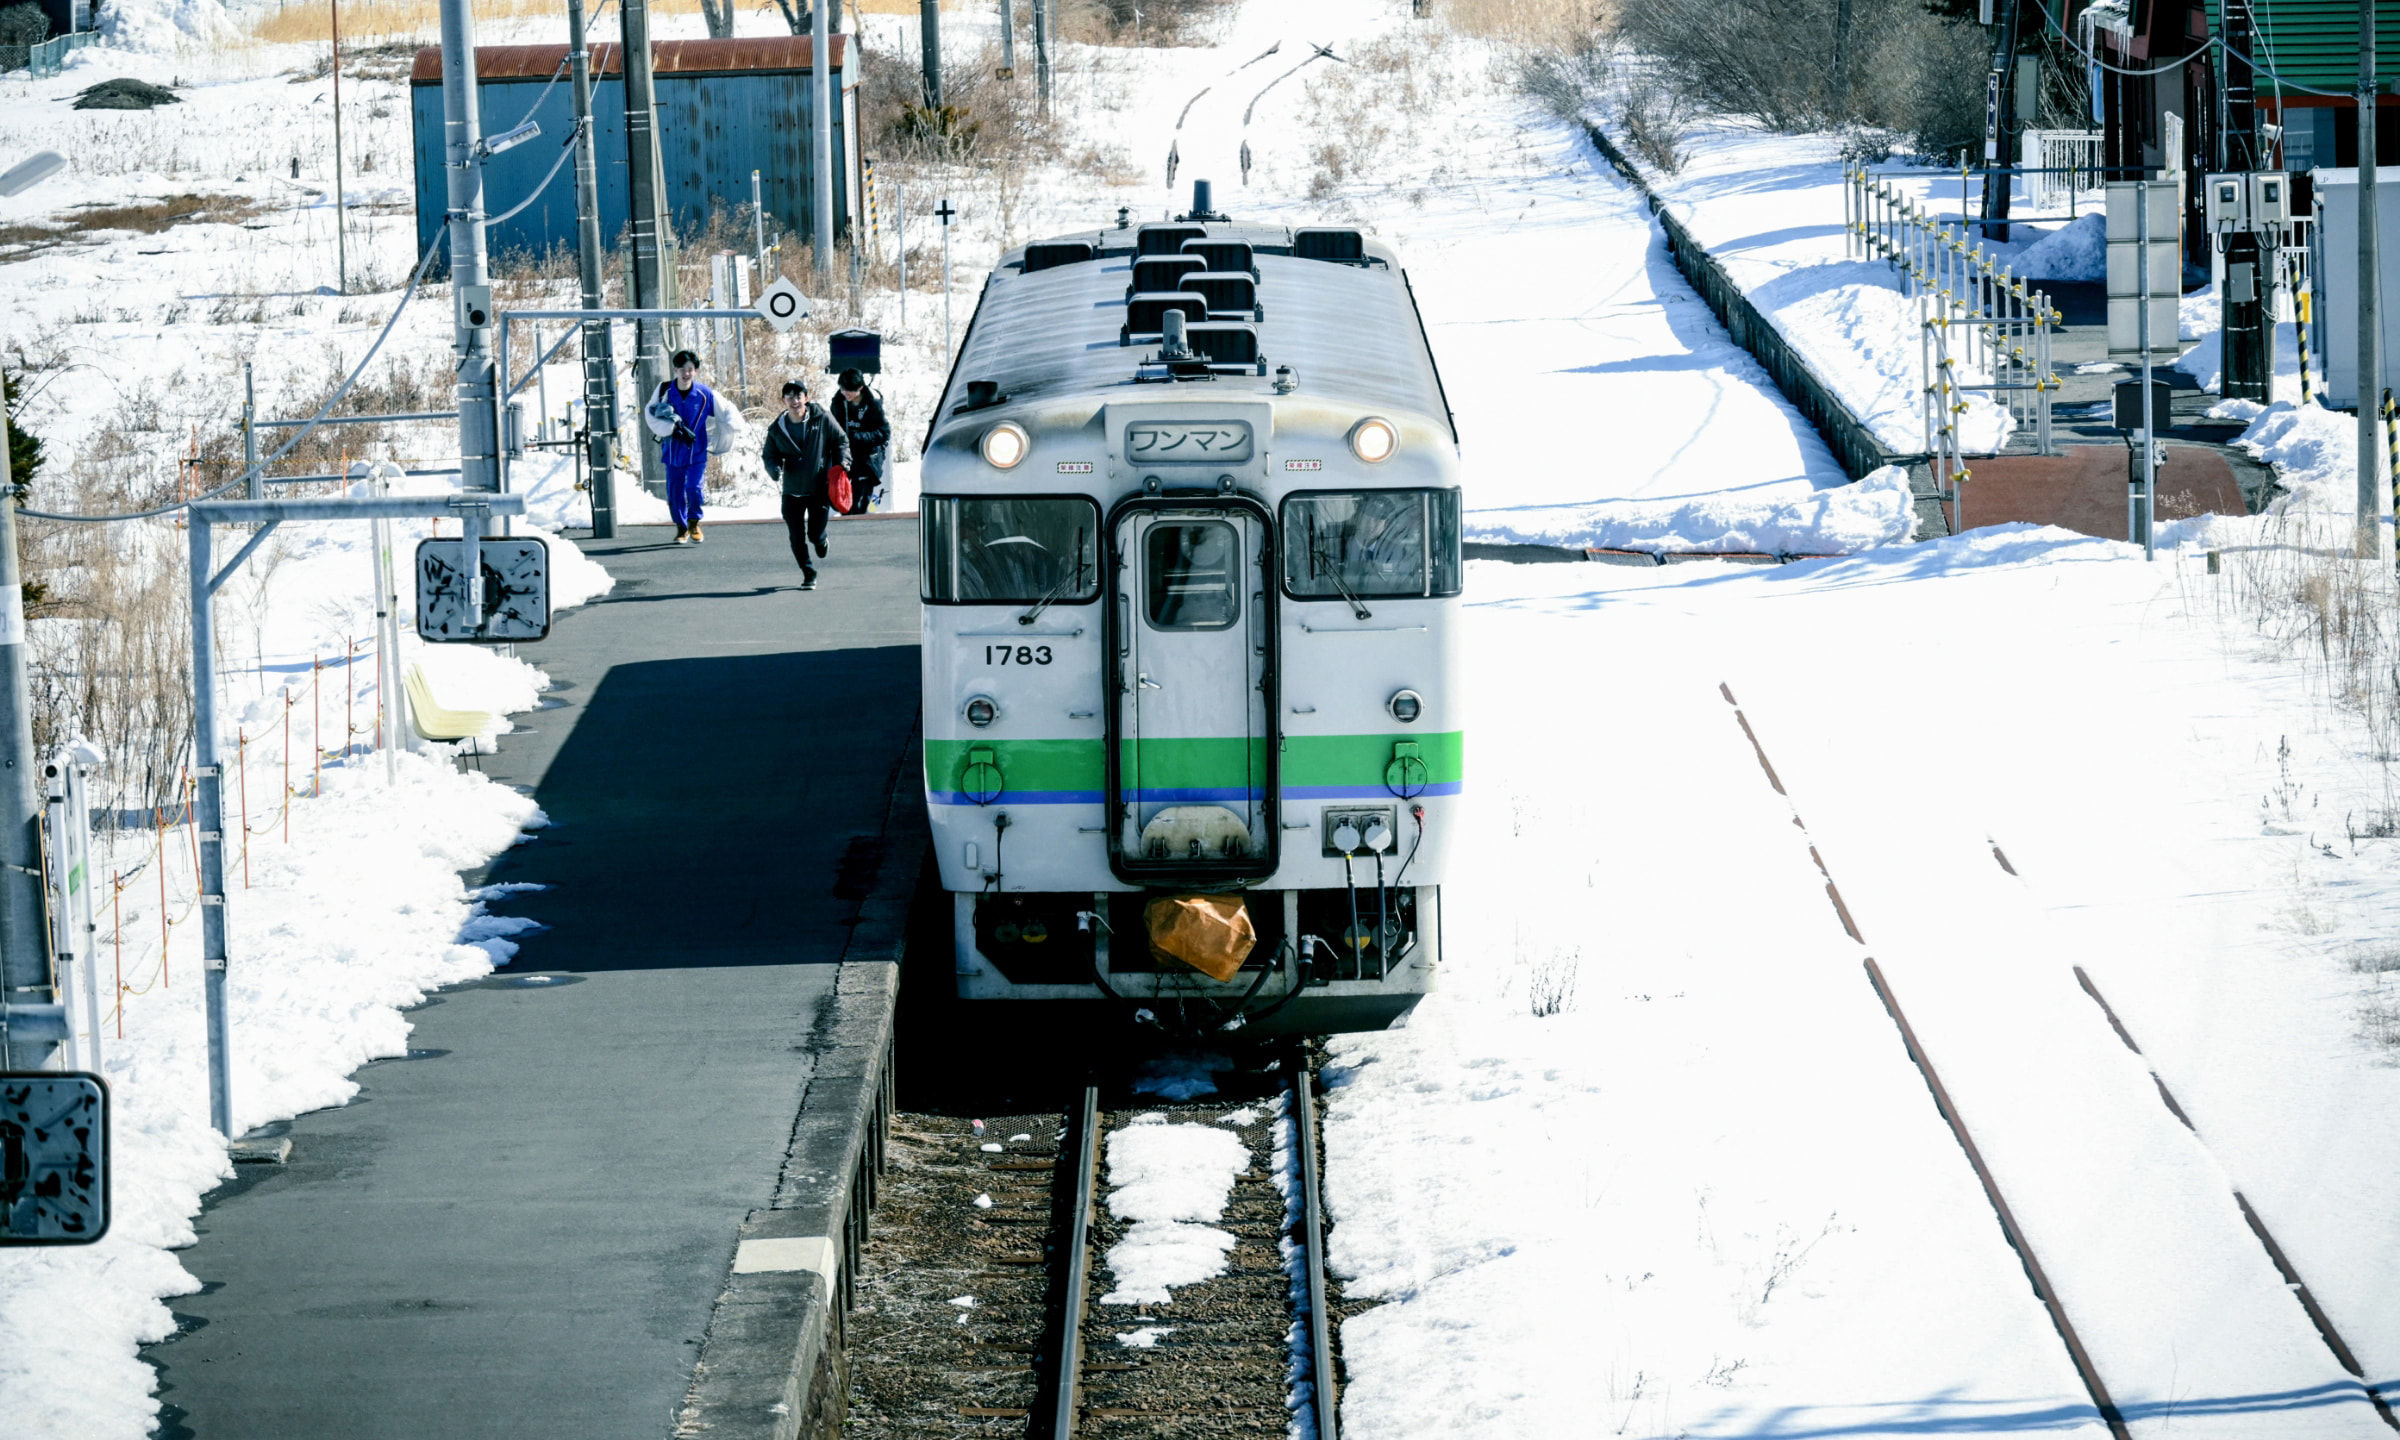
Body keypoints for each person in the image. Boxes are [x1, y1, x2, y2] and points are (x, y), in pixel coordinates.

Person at [760, 378, 850, 590]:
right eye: (790, 397)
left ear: (806, 398)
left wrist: (842, 463)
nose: (795, 401)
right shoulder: (776, 429)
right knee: (796, 536)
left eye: (798, 396)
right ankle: (808, 572)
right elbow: (769, 455)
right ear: (783, 400)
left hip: (818, 487)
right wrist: (773, 469)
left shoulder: (822, 419)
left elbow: (841, 441)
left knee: (814, 534)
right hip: (792, 491)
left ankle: (821, 540)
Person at [645, 349, 717, 544]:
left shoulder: (704, 394)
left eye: (690, 369)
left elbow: (721, 413)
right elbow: (650, 413)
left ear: (696, 371)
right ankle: (681, 527)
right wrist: (668, 428)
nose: (686, 374)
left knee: (694, 488)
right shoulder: (665, 391)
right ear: (675, 369)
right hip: (673, 452)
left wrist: (726, 434)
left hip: (697, 451)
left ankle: (694, 521)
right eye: (682, 369)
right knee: (675, 492)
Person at [828, 369, 890, 516]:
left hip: (868, 459)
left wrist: (859, 437)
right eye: (842, 389)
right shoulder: (838, 403)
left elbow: (884, 433)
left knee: (860, 503)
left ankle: (861, 528)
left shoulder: (873, 405)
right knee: (841, 501)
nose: (845, 393)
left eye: (849, 390)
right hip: (847, 457)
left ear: (860, 388)